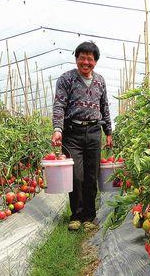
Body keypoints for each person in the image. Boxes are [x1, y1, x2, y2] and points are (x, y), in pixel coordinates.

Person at [51, 41, 113, 231]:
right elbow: (59, 106)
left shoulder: (100, 81)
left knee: (91, 175)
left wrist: (108, 131)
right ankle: (76, 215)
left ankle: (89, 216)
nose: (86, 62)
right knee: (76, 176)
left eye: (90, 59)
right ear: (76, 58)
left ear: (95, 61)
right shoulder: (66, 79)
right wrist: (57, 130)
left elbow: (104, 107)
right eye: (82, 58)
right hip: (72, 133)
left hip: (94, 132)